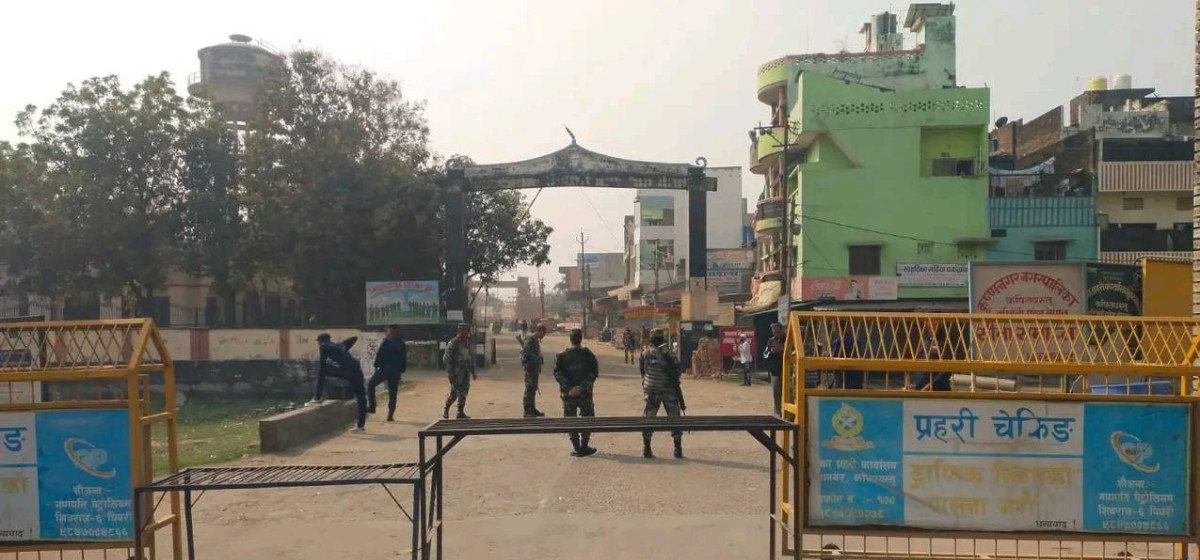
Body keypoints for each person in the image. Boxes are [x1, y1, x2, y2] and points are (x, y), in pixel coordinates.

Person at [554, 328, 599, 457]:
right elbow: (593, 373)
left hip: (568, 394)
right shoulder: (588, 354)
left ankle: (576, 447)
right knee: (587, 418)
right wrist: (582, 387)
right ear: (581, 338)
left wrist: (569, 388)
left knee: (570, 419)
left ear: (570, 339)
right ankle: (584, 446)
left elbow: (557, 373)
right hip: (585, 393)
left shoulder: (561, 355)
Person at [640, 329, 684, 459]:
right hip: (668, 390)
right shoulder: (670, 355)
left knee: (649, 418)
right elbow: (678, 371)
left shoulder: (645, 353)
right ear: (663, 340)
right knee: (674, 417)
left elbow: (643, 371)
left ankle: (647, 448)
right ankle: (678, 449)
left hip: (651, 390)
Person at [310, 333, 368, 433]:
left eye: (318, 342)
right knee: (361, 397)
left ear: (321, 341)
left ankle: (317, 397)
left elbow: (322, 366)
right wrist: (343, 346)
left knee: (322, 371)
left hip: (348, 371)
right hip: (357, 370)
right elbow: (354, 337)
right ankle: (360, 426)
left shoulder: (324, 347)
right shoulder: (339, 345)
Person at [368, 324, 407, 422]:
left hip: (385, 369)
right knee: (393, 392)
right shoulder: (401, 343)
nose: (387, 331)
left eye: (389, 330)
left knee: (370, 384)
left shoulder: (386, 341)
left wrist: (376, 365)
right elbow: (404, 359)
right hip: (396, 371)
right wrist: (401, 370)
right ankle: (390, 414)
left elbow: (380, 354)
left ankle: (372, 407)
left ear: (392, 330)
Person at [442, 323, 477, 419]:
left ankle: (460, 412)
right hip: (456, 373)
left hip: (465, 372)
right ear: (460, 331)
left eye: (467, 331)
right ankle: (446, 409)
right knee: (454, 393)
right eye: (464, 330)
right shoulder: (453, 343)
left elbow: (470, 357)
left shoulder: (467, 343)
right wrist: (450, 372)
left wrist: (473, 371)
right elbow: (446, 358)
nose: (466, 333)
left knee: (464, 392)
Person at [521, 323, 548, 418]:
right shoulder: (530, 340)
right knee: (529, 389)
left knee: (533, 389)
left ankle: (532, 408)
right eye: (543, 333)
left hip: (534, 368)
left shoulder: (535, 340)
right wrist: (537, 359)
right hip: (530, 368)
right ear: (539, 331)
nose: (543, 336)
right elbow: (526, 354)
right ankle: (527, 410)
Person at [762, 322, 786, 416]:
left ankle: (789, 414)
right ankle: (777, 413)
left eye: (778, 332)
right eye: (774, 332)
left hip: (788, 371)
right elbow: (765, 354)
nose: (776, 334)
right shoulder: (771, 341)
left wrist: (782, 350)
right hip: (775, 371)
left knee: (789, 394)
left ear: (782, 330)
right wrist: (771, 352)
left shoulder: (789, 339)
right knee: (776, 394)